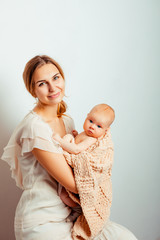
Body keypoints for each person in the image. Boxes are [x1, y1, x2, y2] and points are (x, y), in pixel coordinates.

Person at [1, 55, 138, 240]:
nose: (52, 88)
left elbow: (83, 160)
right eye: (42, 83)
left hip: (72, 215)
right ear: (32, 89)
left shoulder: (67, 121)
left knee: (125, 237)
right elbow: (74, 184)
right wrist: (99, 173)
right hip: (43, 221)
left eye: (56, 78)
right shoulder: (35, 128)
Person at [53, 103, 115, 208]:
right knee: (69, 136)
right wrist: (76, 136)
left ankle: (78, 210)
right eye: (91, 121)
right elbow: (79, 143)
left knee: (64, 196)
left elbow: (77, 149)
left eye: (99, 126)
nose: (92, 126)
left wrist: (59, 140)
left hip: (78, 173)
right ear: (87, 116)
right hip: (69, 169)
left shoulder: (92, 139)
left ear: (106, 130)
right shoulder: (86, 133)